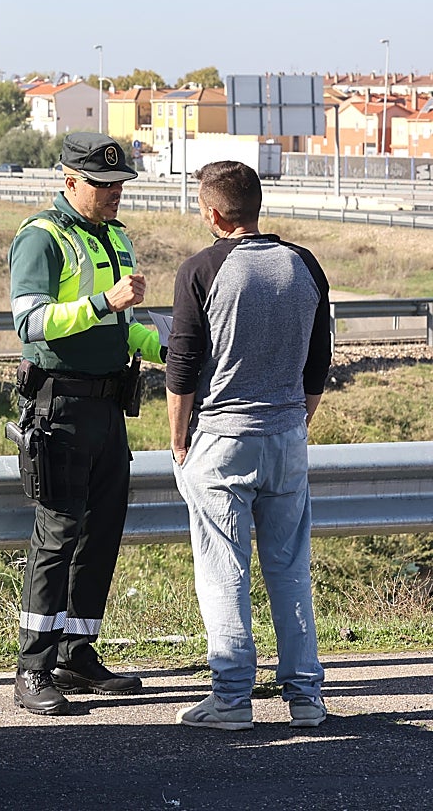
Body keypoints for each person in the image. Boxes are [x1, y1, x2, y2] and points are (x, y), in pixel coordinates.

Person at [167, 160, 331, 730]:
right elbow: (319, 361)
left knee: (224, 574)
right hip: (286, 438)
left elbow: (182, 366)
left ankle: (233, 700)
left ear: (214, 214)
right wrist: (296, 422)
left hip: (222, 440)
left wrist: (179, 442)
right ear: (255, 206)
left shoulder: (201, 270)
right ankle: (306, 697)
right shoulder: (304, 264)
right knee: (290, 571)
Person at [7, 132, 164, 715]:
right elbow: (29, 323)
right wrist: (105, 303)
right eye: (103, 184)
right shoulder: (41, 237)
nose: (114, 193)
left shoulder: (117, 237)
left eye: (120, 184)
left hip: (108, 407)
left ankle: (77, 654)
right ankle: (33, 668)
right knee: (57, 535)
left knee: (100, 534)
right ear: (70, 181)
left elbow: (126, 330)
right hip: (60, 406)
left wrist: (170, 349)